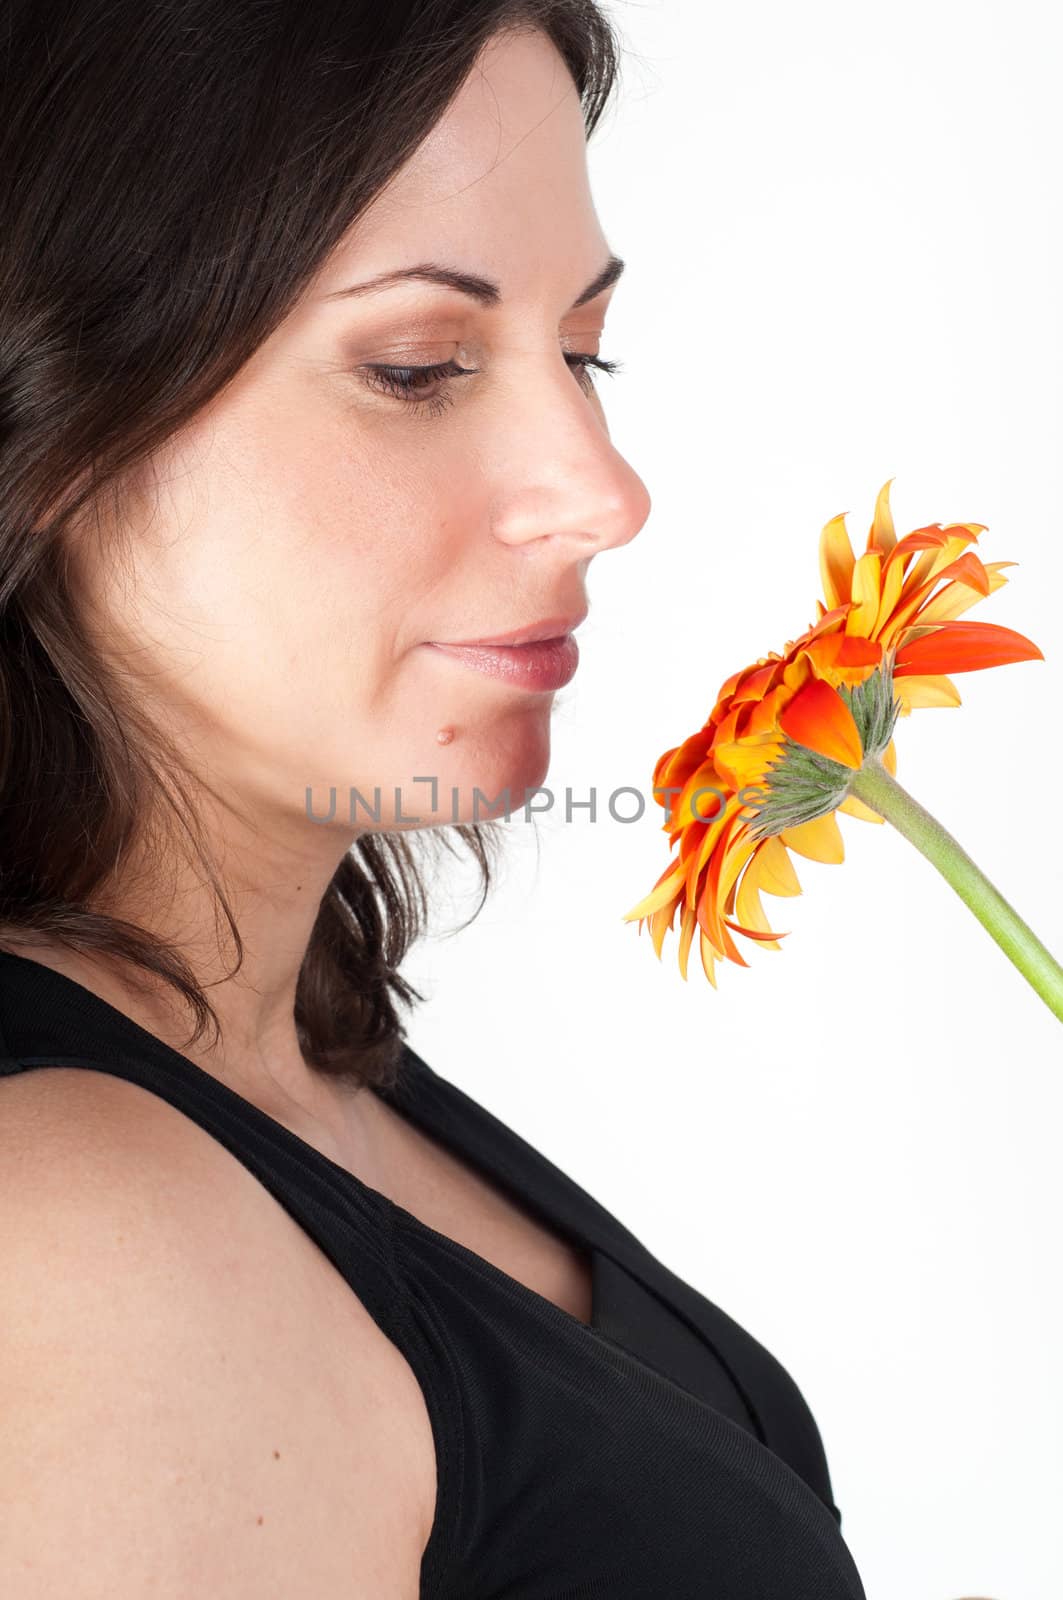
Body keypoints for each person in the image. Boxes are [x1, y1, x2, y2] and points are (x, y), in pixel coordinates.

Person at [0, 3, 868, 1595]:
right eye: (419, 368)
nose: (606, 494)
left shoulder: (291, 1066)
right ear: (50, 422)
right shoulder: (80, 1235)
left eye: (584, 353)